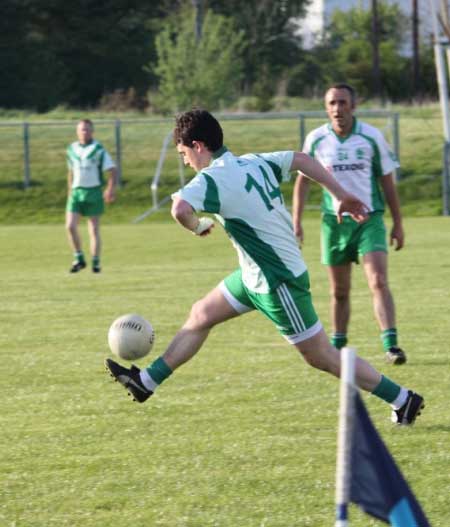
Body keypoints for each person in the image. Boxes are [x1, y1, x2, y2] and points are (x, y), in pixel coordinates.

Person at [105, 109, 423, 426]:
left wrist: (197, 226)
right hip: (255, 276)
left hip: (277, 282)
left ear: (198, 145)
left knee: (323, 357)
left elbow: (179, 209)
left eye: (183, 153)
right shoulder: (254, 161)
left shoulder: (213, 178)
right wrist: (339, 193)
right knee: (202, 313)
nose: (185, 161)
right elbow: (301, 159)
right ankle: (146, 382)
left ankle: (403, 399)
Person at [292, 83, 406, 365]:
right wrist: (296, 221)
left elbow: (388, 183)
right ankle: (337, 347)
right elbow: (302, 183)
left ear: (353, 106)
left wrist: (398, 223)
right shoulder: (317, 139)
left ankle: (391, 345)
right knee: (339, 291)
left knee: (377, 281)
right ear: (326, 107)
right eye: (332, 103)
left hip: (370, 220)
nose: (337, 109)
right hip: (333, 223)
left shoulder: (371, 137)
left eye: (342, 102)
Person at [65, 119, 117, 273]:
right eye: (82, 129)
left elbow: (112, 170)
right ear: (77, 131)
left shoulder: (98, 149)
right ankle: (79, 258)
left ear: (92, 131)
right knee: (70, 226)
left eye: (87, 129)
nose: (84, 132)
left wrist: (110, 189)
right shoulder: (71, 149)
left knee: (93, 229)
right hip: (76, 192)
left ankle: (95, 262)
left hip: (93, 191)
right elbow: (71, 172)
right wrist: (69, 190)